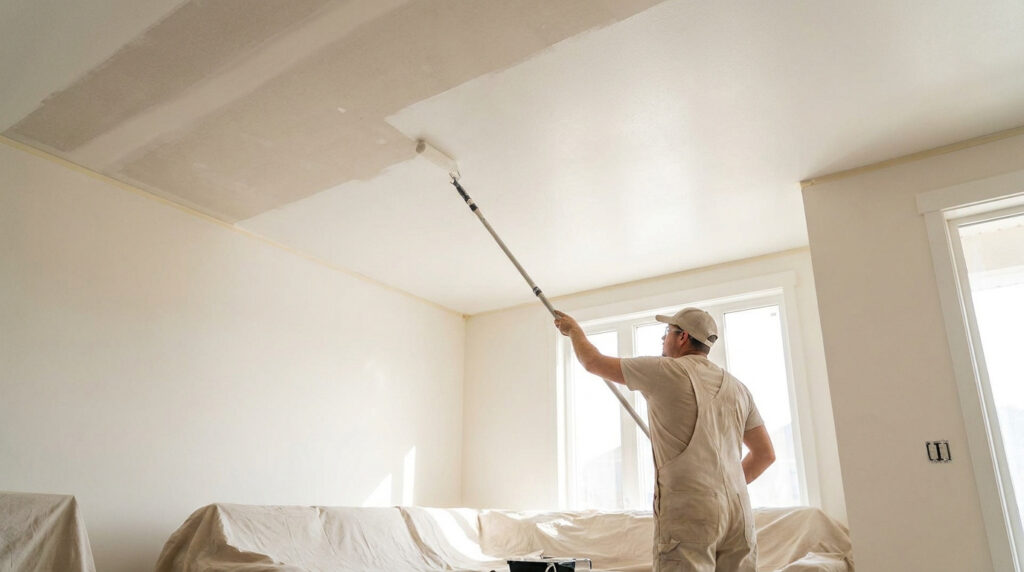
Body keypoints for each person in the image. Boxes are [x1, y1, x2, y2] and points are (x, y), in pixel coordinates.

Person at [554, 307, 775, 572]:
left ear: (683, 337)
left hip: (692, 509)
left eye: (667, 332)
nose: (663, 339)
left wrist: (574, 331)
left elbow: (593, 362)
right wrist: (723, 487)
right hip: (739, 513)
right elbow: (765, 455)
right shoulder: (738, 388)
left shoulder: (666, 370)